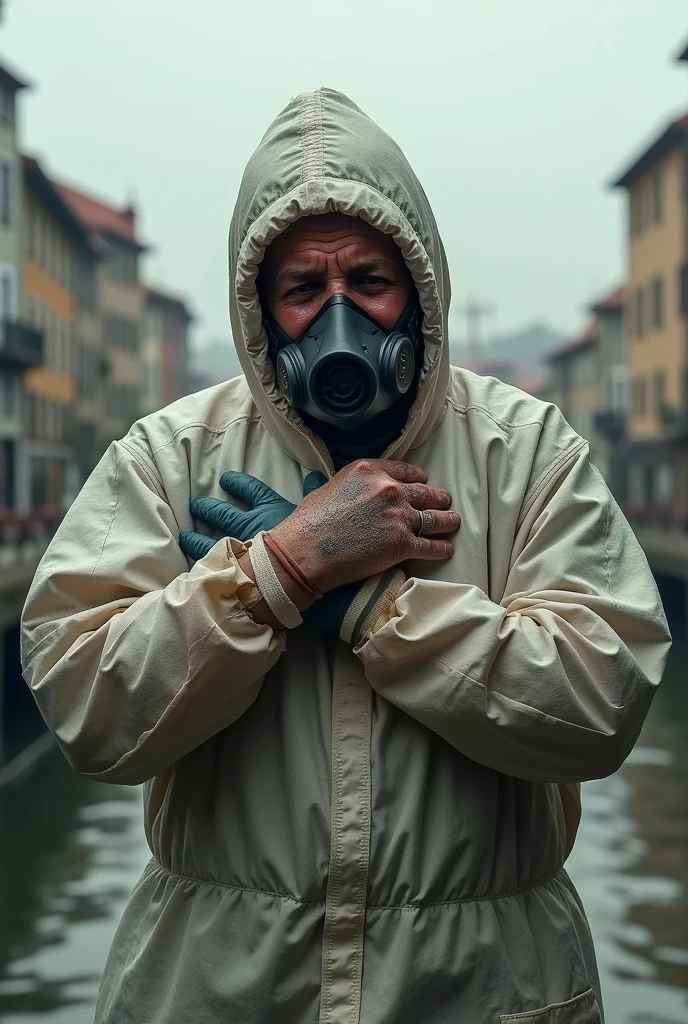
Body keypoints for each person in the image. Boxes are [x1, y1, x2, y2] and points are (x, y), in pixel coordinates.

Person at [21, 88, 671, 1024]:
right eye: (301, 290)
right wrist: (275, 575)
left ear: (421, 289)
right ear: (259, 311)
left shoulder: (524, 448)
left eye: (369, 282)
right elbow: (84, 705)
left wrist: (373, 610)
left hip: (481, 982)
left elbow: (600, 703)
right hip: (222, 981)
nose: (339, 320)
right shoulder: (168, 456)